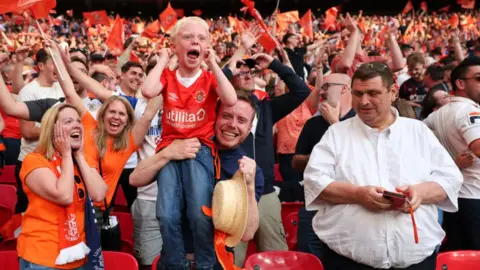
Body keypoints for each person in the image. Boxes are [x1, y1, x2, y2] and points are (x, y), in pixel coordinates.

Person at [304, 62, 462, 269]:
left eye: (373, 93)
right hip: (348, 261)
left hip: (415, 260)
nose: (364, 101)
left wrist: (419, 193)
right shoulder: (336, 134)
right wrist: (358, 194)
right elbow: (314, 180)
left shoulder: (418, 132)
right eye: (358, 94)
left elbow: (450, 179)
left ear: (393, 92)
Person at [141, 16, 237, 270]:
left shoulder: (208, 78)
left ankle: (206, 264)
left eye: (201, 38)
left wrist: (214, 64)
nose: (195, 41)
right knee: (166, 214)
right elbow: (148, 91)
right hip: (169, 149)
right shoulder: (168, 76)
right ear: (175, 46)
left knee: (199, 213)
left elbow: (230, 98)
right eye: (188, 37)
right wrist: (162, 60)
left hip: (200, 148)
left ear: (207, 47)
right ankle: (175, 264)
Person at [130, 92, 263, 269]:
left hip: (216, 262)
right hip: (174, 260)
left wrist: (249, 186)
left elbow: (247, 234)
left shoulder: (248, 170)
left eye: (241, 120)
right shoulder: (186, 146)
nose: (232, 125)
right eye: (226, 116)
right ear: (214, 117)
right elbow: (135, 178)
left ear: (248, 130)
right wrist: (168, 153)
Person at [225, 45, 311, 265]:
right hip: (233, 196)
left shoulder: (267, 107)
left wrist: (274, 64)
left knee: (276, 259)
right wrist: (228, 69)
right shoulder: (221, 110)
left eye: (250, 72)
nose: (247, 76)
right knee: (232, 260)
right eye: (240, 72)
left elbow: (301, 90)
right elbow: (209, 88)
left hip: (266, 194)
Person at [18, 103, 107, 270]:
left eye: (78, 121)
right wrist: (66, 154)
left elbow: (100, 194)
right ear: (52, 130)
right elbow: (64, 196)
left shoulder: (82, 160)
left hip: (78, 257)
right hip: (42, 257)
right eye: (67, 122)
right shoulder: (34, 160)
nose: (76, 125)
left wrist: (79, 155)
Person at [293, 72, 355, 258]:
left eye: (327, 86)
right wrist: (315, 158)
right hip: (315, 202)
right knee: (308, 254)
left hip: (348, 204)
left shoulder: (359, 122)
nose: (321, 90)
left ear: (344, 88)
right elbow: (295, 162)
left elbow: (356, 160)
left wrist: (334, 124)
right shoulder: (312, 124)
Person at [424, 57, 480, 251]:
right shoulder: (468, 112)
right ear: (460, 83)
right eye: (478, 78)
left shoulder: (438, 114)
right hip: (474, 197)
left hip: (454, 198)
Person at [15, 48, 65, 214]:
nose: (58, 68)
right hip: (32, 162)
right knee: (30, 212)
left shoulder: (62, 88)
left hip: (57, 161)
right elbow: (28, 132)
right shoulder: (29, 91)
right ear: (41, 66)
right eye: (54, 64)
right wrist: (57, 128)